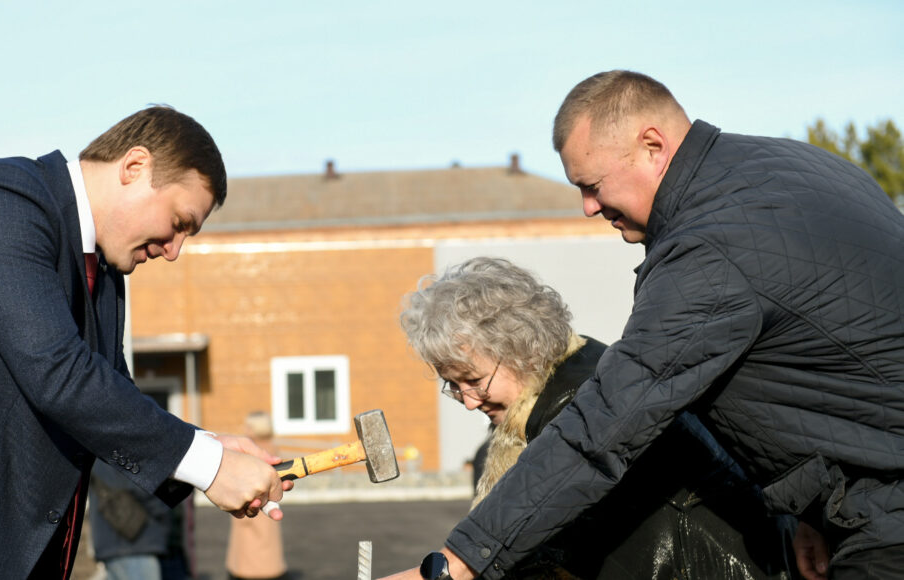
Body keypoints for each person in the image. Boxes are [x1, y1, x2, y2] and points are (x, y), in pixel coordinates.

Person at [382, 70, 904, 580]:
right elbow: (830, 376)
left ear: (653, 146)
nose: (588, 207)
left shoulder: (710, 252)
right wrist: (813, 510)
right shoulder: (792, 165)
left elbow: (603, 429)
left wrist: (456, 564)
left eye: (592, 185)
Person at [0, 106, 290, 579]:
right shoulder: (2, 198)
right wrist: (210, 466)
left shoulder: (106, 274)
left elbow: (110, 398)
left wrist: (211, 446)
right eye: (179, 221)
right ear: (135, 167)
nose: (174, 251)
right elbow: (58, 371)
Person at [399, 256, 794, 579]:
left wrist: (439, 572)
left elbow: (534, 541)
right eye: (453, 386)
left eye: (474, 380)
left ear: (520, 349)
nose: (468, 401)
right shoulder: (582, 370)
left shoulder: (573, 407)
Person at [88, 460, 187, 580]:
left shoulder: (100, 446)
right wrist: (164, 507)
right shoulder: (123, 445)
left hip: (120, 539)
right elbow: (141, 484)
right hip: (136, 541)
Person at [225, 411, 289, 580]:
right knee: (266, 552)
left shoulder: (250, 452)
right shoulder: (273, 450)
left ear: (254, 429)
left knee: (249, 558)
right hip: (269, 512)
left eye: (248, 426)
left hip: (250, 509)